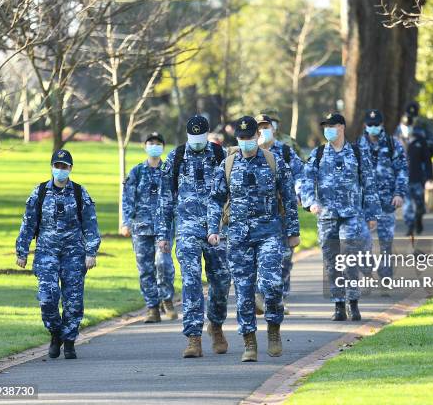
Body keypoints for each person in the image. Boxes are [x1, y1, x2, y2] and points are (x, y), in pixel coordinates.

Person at [207, 115, 300, 362]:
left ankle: (273, 329)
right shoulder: (227, 166)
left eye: (251, 137)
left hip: (269, 233)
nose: (247, 142)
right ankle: (249, 341)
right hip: (237, 238)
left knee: (271, 284)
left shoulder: (274, 162)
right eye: (243, 138)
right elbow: (216, 200)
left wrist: (293, 232)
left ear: (258, 137)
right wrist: (213, 229)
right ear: (237, 138)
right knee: (244, 293)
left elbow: (289, 199)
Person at [15, 149, 101, 360]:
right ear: (52, 167)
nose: (60, 170)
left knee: (73, 300)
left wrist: (91, 252)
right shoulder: (40, 192)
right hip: (46, 253)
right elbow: (28, 223)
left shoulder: (80, 193)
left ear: (70, 168)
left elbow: (90, 224)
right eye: (57, 166)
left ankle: (69, 341)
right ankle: (55, 334)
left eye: (64, 166)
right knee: (47, 298)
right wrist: (22, 251)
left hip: (74, 254)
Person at [159, 115, 231, 358]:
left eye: (201, 138)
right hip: (187, 229)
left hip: (217, 229)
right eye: (193, 138)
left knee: (221, 282)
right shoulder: (176, 157)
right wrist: (163, 234)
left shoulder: (221, 156)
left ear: (207, 135)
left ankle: (217, 326)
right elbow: (165, 199)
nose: (197, 143)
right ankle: (193, 337)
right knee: (191, 281)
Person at [301, 113, 381, 321]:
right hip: (327, 217)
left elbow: (369, 184)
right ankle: (338, 304)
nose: (328, 129)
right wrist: (310, 202)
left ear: (342, 128)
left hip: (351, 216)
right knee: (331, 262)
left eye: (332, 125)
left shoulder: (357, 153)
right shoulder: (318, 154)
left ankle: (352, 302)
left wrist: (372, 213)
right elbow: (306, 181)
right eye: (325, 126)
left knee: (349, 260)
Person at [122, 132, 177, 323]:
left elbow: (175, 196)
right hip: (141, 228)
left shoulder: (168, 170)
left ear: (163, 146)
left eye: (158, 143)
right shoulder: (136, 171)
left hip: (164, 228)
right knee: (145, 269)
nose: (154, 146)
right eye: (151, 143)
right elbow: (128, 198)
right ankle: (152, 307)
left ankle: (167, 298)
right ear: (145, 146)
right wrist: (126, 222)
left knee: (163, 264)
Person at [256, 114, 305, 315]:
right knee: (262, 258)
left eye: (266, 127)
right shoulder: (249, 152)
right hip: (259, 216)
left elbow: (301, 174)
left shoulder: (285, 152)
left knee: (284, 259)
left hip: (283, 214)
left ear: (273, 129)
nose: (262, 131)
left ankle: (276, 298)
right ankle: (262, 298)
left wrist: (300, 192)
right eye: (259, 128)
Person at [357, 110, 408, 279]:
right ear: (365, 125)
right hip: (364, 204)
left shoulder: (393, 144)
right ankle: (366, 269)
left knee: (386, 242)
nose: (373, 127)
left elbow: (402, 170)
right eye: (370, 125)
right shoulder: (357, 146)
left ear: (382, 125)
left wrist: (399, 193)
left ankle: (386, 276)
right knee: (363, 241)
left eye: (376, 124)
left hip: (387, 202)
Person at [399, 114, 433, 236]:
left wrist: (429, 178)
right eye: (405, 126)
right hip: (403, 180)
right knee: (407, 206)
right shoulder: (396, 141)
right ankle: (410, 226)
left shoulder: (420, 140)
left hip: (418, 178)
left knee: (420, 205)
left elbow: (427, 160)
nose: (407, 128)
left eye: (409, 126)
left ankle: (418, 220)